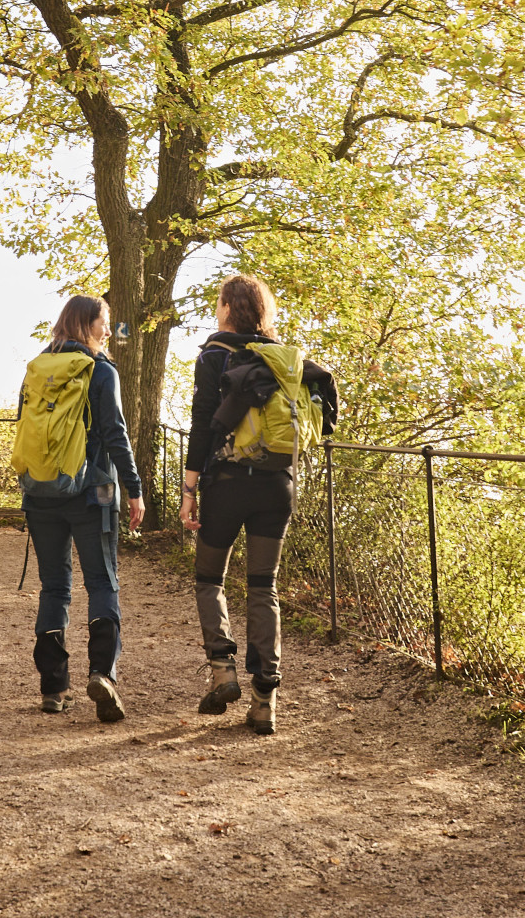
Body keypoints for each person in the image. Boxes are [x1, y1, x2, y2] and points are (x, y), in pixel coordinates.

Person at [179, 273, 335, 736]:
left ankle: (223, 671)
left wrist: (189, 490)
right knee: (263, 587)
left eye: (218, 301)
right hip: (277, 485)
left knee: (209, 578)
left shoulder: (214, 355)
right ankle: (266, 699)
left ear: (228, 306)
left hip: (227, 484)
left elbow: (203, 423)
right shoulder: (285, 359)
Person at [15, 294, 145, 720]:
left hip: (41, 492)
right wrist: (134, 488)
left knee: (54, 586)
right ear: (88, 325)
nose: (109, 331)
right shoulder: (101, 370)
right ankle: (102, 674)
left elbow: (24, 427)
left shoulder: (37, 368)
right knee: (102, 583)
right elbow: (115, 435)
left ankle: (53, 688)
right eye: (105, 322)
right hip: (96, 492)